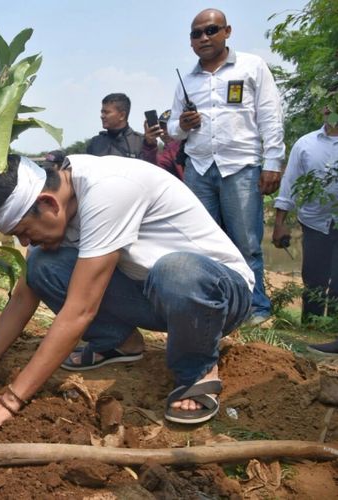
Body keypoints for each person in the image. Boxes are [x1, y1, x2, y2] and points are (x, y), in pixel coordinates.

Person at [0, 154, 253, 431]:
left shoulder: (108, 190)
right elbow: (23, 296)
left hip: (217, 295)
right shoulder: (63, 192)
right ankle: (120, 343)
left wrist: (11, 401)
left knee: (177, 271)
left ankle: (197, 371)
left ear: (48, 203)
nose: (24, 241)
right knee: (42, 265)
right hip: (152, 292)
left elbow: (80, 311)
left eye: (23, 230)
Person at [168, 9, 285, 326]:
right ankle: (215, 307)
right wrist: (182, 123)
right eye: (196, 34)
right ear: (191, 42)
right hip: (200, 167)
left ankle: (256, 306)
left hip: (241, 166)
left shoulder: (252, 67)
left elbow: (270, 117)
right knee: (202, 242)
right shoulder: (187, 79)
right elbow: (172, 130)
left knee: (246, 242)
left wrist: (272, 162)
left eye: (210, 30)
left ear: (227, 31)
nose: (204, 38)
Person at [272, 106, 338, 350]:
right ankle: (310, 329)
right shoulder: (305, 144)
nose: (331, 110)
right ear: (323, 109)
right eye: (328, 105)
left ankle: (331, 327)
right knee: (314, 280)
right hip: (314, 223)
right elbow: (289, 186)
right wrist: (279, 225)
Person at [85, 93, 144, 158]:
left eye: (107, 112)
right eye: (102, 112)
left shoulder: (140, 143)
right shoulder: (95, 142)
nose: (102, 116)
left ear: (122, 115)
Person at [141, 110, 184, 179]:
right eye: (162, 127)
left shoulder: (192, 144)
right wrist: (149, 145)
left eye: (168, 127)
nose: (165, 131)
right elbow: (155, 172)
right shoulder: (165, 153)